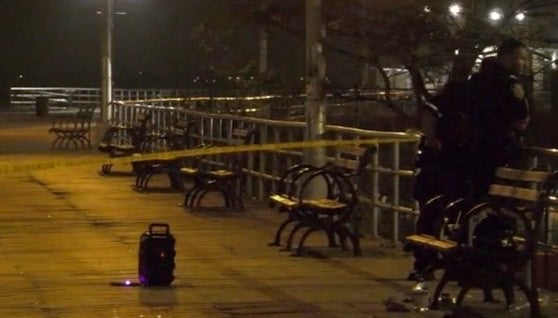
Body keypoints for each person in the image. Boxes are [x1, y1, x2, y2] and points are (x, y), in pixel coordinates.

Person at [408, 38, 531, 283]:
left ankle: (431, 262)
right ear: (507, 58)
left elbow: (429, 108)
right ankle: (480, 265)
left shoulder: (467, 85)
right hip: (490, 162)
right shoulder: (508, 86)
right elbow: (521, 120)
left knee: (446, 209)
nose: (523, 64)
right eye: (521, 58)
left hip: (457, 161)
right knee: (485, 212)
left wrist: (433, 138)